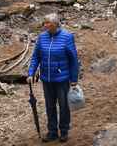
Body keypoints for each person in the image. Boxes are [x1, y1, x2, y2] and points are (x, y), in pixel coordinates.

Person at [27, 13, 79, 143]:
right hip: (47, 79)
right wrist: (31, 72)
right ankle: (52, 132)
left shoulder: (67, 37)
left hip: (62, 80)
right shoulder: (42, 37)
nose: (44, 25)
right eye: (44, 23)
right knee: (50, 106)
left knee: (63, 106)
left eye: (47, 23)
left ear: (55, 24)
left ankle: (64, 131)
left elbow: (73, 60)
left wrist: (74, 79)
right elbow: (36, 57)